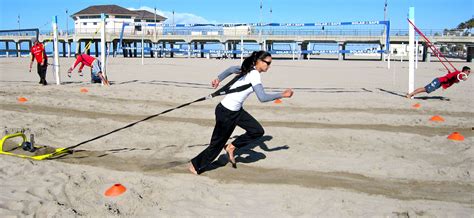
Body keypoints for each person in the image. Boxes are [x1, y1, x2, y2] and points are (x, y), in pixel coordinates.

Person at [189, 51, 294, 175]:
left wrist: (218, 78)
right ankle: (195, 165)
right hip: (226, 113)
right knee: (216, 145)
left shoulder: (247, 68)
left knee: (257, 131)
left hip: (236, 111)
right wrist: (282, 95)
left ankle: (231, 147)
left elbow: (230, 69)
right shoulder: (254, 74)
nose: (269, 66)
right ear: (259, 61)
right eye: (267, 63)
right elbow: (262, 97)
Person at [406, 66, 471, 98]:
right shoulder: (458, 73)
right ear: (465, 71)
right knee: (426, 89)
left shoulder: (459, 75)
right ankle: (410, 94)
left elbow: (455, 81)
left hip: (440, 83)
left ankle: (411, 93)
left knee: (425, 89)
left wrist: (459, 79)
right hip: (439, 81)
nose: (469, 73)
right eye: (468, 71)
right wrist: (459, 78)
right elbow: (449, 76)